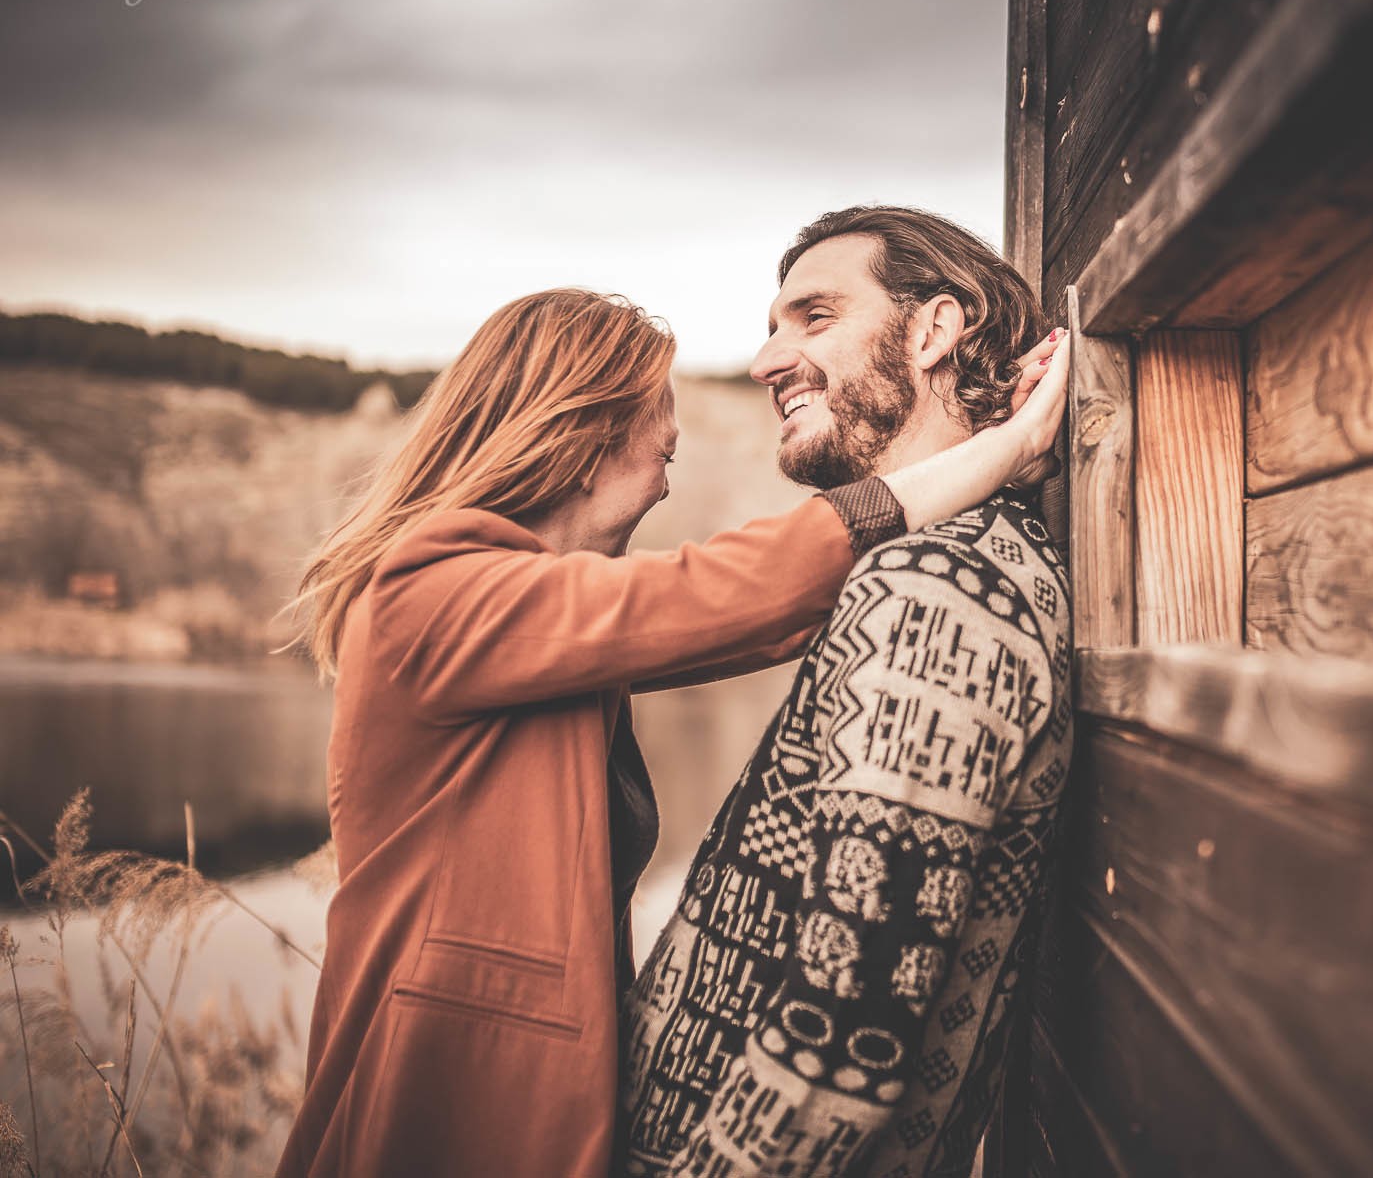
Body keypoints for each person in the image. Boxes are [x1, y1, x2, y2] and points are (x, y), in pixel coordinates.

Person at [275, 285, 1068, 1178]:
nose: (667, 472)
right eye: (662, 444)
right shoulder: (425, 595)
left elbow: (741, 614)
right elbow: (732, 592)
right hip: (433, 1118)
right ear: (582, 440)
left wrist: (982, 448)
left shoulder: (543, 628)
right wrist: (1007, 447)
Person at [619, 207, 1072, 1178]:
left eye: (812, 316)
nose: (765, 359)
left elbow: (844, 1031)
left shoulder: (936, 591)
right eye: (773, 325)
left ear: (933, 330)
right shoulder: (941, 563)